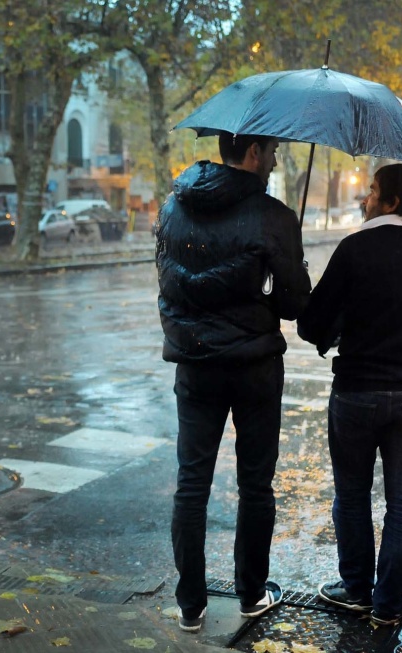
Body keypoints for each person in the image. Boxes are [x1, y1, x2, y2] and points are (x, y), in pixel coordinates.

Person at [155, 132, 311, 633]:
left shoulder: (172, 208)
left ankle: (190, 606)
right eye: (272, 151)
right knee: (255, 484)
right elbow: (293, 305)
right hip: (254, 369)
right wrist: (287, 267)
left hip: (195, 364)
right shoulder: (275, 216)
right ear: (252, 153)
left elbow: (169, 286)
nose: (274, 160)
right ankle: (249, 595)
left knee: (191, 483)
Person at [297, 163, 402, 627]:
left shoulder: (355, 248)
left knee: (352, 495)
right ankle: (389, 603)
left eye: (372, 191)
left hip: (357, 393)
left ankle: (355, 590)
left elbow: (312, 325)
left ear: (392, 201)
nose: (365, 199)